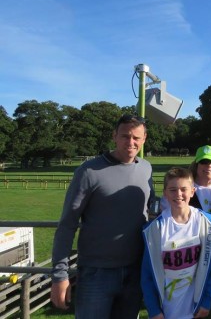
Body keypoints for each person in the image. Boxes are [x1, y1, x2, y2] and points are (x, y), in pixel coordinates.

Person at [50, 114, 155, 318]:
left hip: (135, 271)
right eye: (125, 136)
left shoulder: (146, 168)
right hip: (96, 273)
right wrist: (60, 276)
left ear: (144, 139)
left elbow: (152, 210)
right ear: (114, 136)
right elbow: (67, 225)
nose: (131, 142)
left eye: (136, 138)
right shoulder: (89, 171)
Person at [141, 167, 211, 319]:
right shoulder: (155, 229)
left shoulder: (205, 222)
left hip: (194, 309)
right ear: (165, 193)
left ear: (192, 191)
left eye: (184, 189)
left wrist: (206, 302)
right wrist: (154, 310)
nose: (178, 194)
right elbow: (147, 275)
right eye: (172, 190)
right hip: (166, 311)